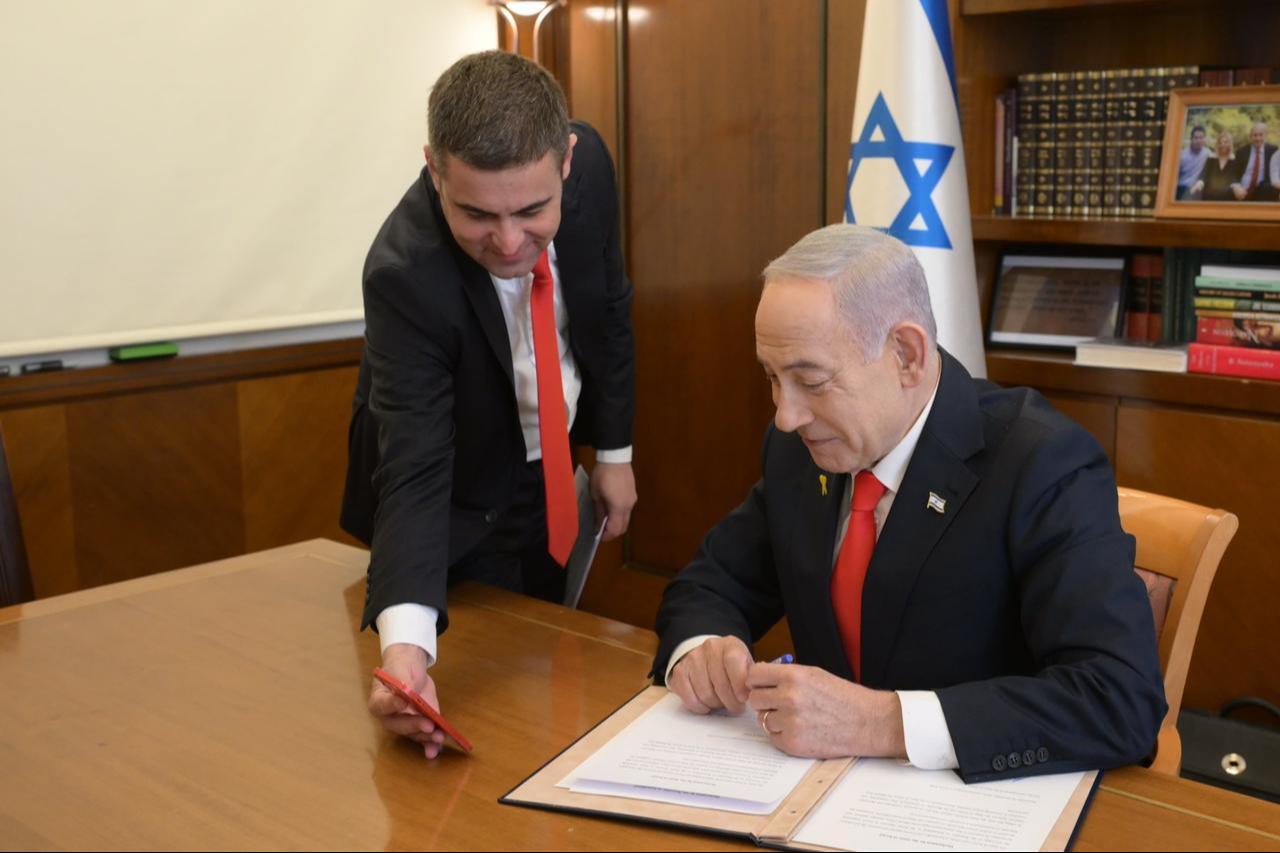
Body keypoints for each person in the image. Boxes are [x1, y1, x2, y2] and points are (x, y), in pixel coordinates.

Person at [653, 224, 1166, 783]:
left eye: (811, 380)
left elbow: (1120, 698)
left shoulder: (1041, 464)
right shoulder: (801, 448)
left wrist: (882, 723)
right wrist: (702, 652)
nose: (785, 414)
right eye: (773, 378)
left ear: (906, 354)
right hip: (812, 797)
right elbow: (709, 585)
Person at [341, 51, 637, 759]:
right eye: (476, 213)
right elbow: (413, 466)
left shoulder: (590, 163)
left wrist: (615, 452)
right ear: (434, 169)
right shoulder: (403, 273)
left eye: (532, 211)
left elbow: (608, 306)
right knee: (498, 700)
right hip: (452, 489)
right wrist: (408, 653)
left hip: (553, 464)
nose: (508, 242)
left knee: (552, 659)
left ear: (565, 162)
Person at [1230, 121, 1279, 201]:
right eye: (1255, 135)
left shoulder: (1272, 150)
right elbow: (1234, 173)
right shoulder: (1241, 151)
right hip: (1242, 189)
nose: (1258, 138)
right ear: (1250, 137)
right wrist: (1236, 187)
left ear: (1266, 136)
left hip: (1262, 191)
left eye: (1261, 135)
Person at [1190, 129, 1243, 201]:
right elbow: (1204, 173)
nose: (1222, 144)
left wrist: (1236, 187)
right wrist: (1199, 184)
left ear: (1230, 144)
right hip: (1209, 195)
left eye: (1225, 142)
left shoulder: (1233, 159)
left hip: (1226, 196)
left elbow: (1234, 178)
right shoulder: (1211, 157)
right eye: (1220, 142)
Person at [1176, 125, 1210, 200]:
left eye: (1201, 138)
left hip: (1198, 188)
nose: (1198, 141)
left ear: (1204, 139)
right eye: (1196, 138)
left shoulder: (1207, 154)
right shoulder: (1182, 155)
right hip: (1182, 187)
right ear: (1191, 139)